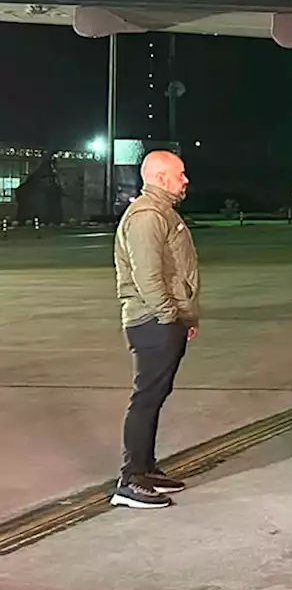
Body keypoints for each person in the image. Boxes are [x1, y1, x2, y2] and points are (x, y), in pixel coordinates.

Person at [110, 150, 199, 509]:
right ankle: (130, 479)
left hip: (165, 319)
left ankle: (145, 469)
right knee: (146, 398)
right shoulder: (147, 216)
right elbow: (147, 275)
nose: (185, 179)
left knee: (155, 395)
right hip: (151, 321)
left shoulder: (162, 212)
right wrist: (167, 315)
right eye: (180, 174)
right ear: (161, 178)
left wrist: (186, 318)